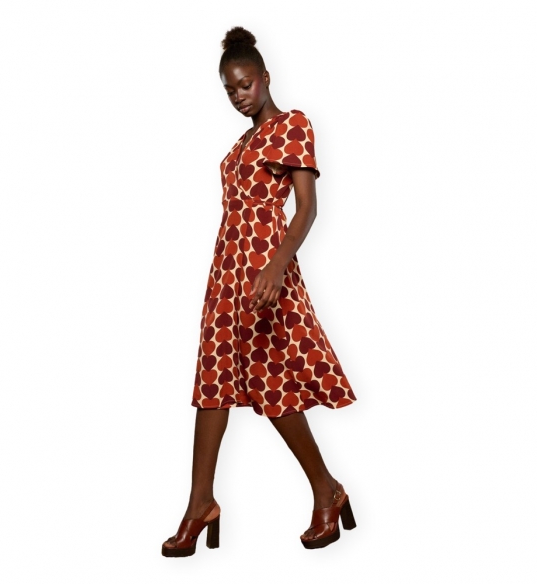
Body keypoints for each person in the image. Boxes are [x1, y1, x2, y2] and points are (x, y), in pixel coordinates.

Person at [161, 26, 357, 558]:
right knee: (213, 382)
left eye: (245, 84)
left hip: (266, 272)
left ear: (265, 77)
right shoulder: (239, 147)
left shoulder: (292, 125)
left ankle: (326, 490)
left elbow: (306, 208)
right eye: (230, 89)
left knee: (273, 385)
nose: (239, 95)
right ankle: (200, 504)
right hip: (226, 273)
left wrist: (276, 265)